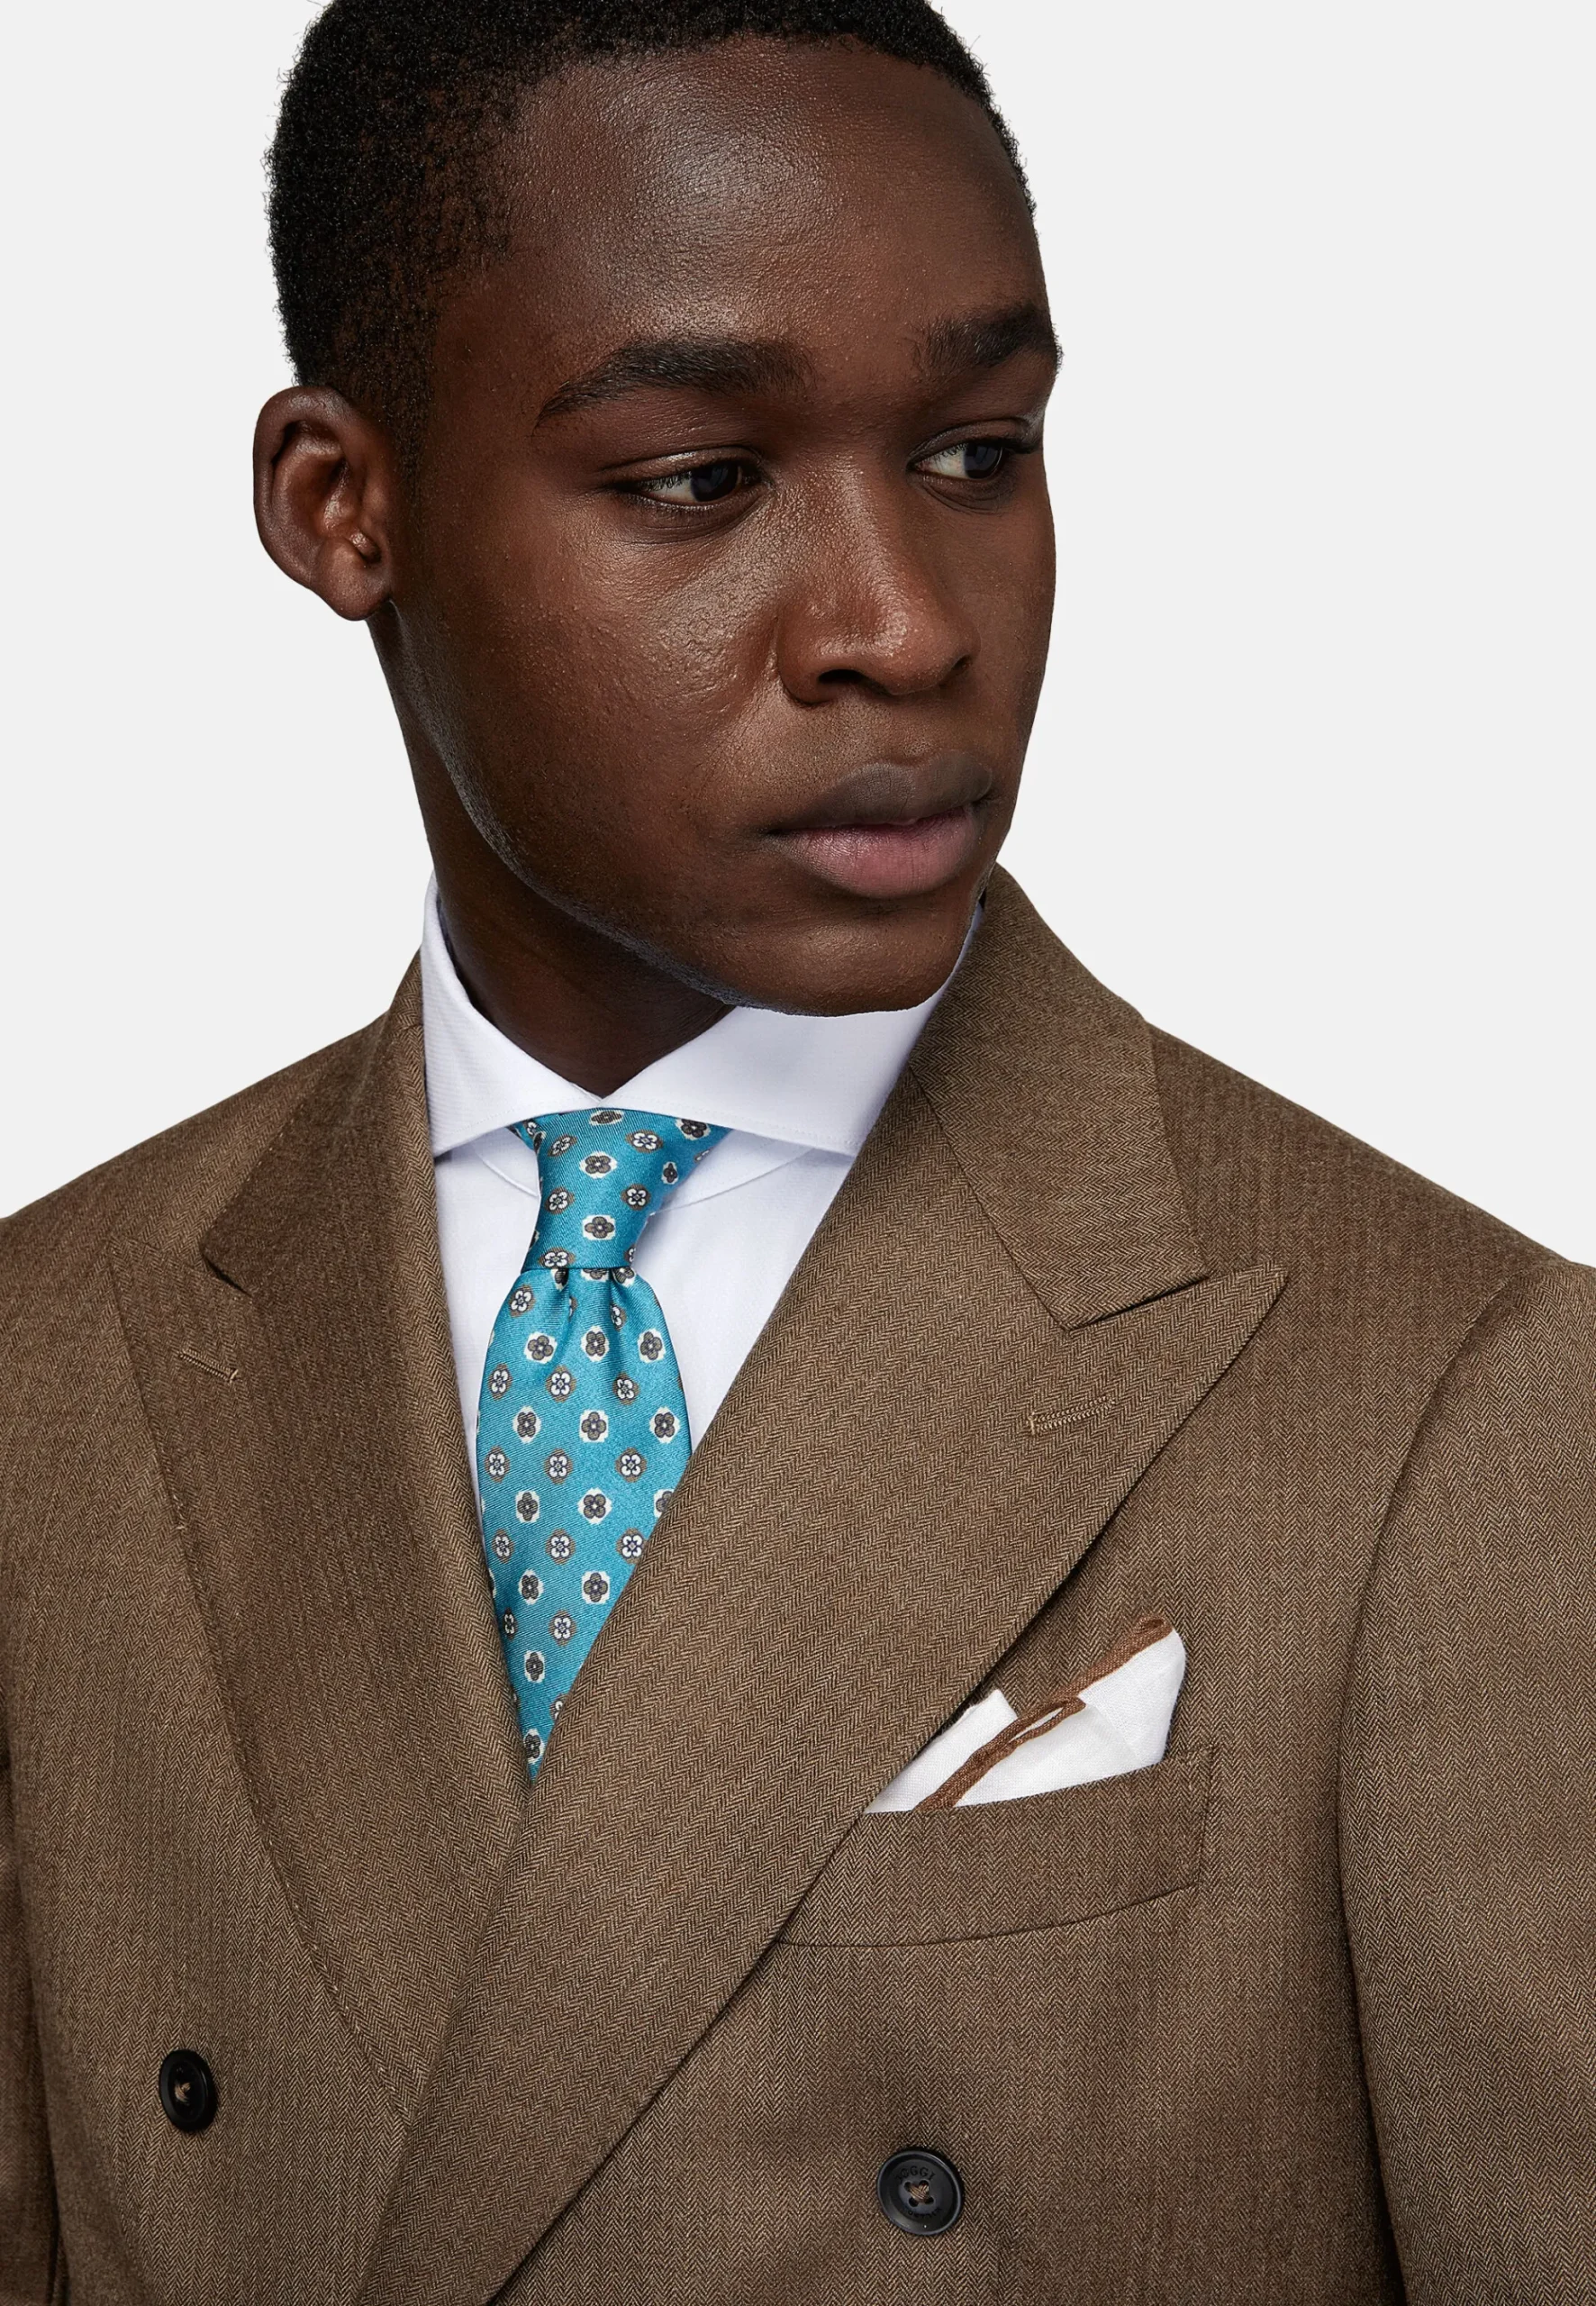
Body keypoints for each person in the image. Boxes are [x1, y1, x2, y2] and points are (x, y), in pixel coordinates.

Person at [3, 2, 1592, 2299]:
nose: (901, 626)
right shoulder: (55, 1363)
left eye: (972, 452)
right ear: (341, 506)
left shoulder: (1451, 1388)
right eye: (697, 480)